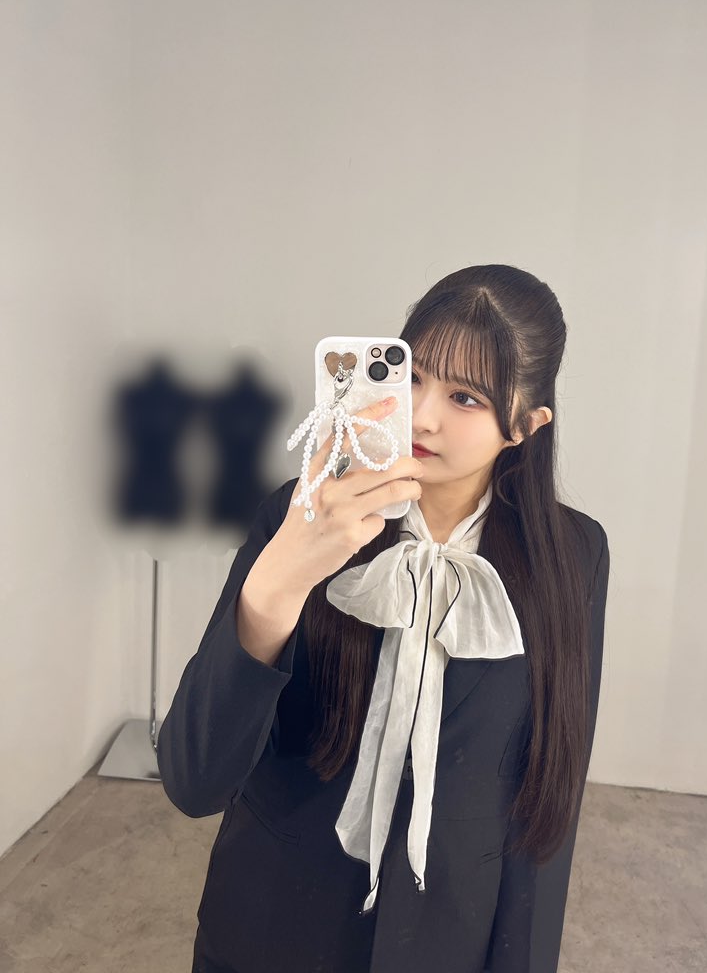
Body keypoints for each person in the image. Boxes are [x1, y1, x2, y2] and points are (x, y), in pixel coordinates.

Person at [157, 263, 610, 973]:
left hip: (450, 938)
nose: (422, 415)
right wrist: (281, 577)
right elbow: (194, 780)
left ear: (525, 424)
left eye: (465, 397)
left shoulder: (573, 556)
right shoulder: (300, 512)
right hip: (272, 925)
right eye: (413, 376)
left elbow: (549, 792)